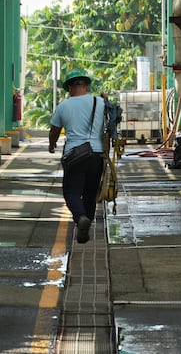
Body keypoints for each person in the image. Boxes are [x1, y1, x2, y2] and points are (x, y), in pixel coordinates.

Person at [48, 68, 108, 244]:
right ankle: (86, 225)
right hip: (96, 154)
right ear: (87, 86)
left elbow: (54, 131)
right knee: (90, 193)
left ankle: (81, 217)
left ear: (69, 88)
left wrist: (52, 145)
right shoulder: (100, 103)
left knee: (71, 192)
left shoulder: (63, 106)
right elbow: (112, 122)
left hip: (74, 155)